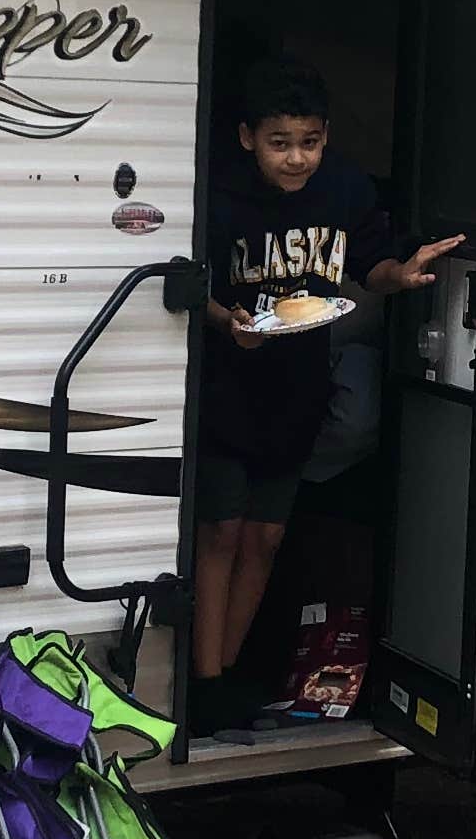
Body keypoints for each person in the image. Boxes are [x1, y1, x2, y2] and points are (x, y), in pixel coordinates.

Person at [193, 61, 461, 692]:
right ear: (246, 138)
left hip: (299, 385)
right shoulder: (218, 193)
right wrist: (223, 319)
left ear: (326, 138)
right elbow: (187, 279)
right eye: (279, 144)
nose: (296, 160)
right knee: (221, 532)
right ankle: (201, 682)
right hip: (227, 384)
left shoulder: (343, 188)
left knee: (266, 536)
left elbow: (371, 267)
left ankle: (229, 673)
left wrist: (403, 273)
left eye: (309, 143)